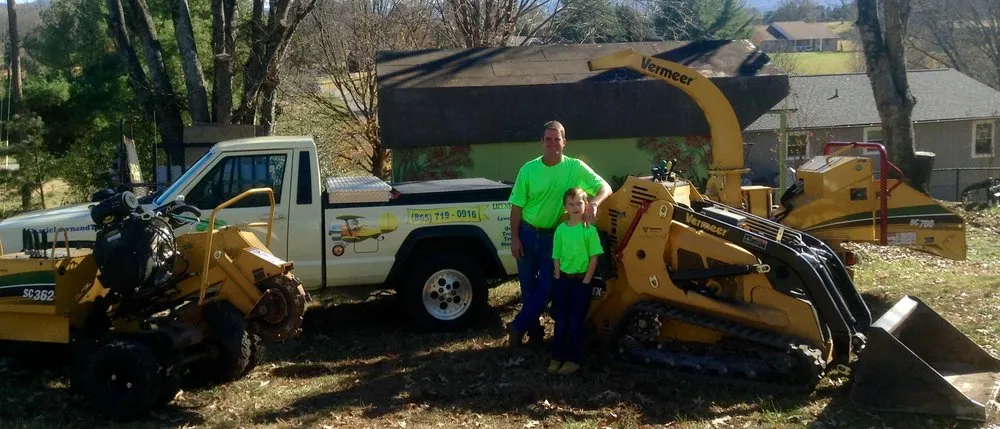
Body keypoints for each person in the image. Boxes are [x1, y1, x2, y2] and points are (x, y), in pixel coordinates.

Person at [507, 120, 611, 348]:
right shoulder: (528, 170)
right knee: (528, 287)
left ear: (565, 142)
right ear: (541, 142)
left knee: (547, 286)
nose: (552, 143)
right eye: (548, 139)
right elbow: (516, 207)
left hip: (551, 237)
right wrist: (514, 237)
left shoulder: (575, 167)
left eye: (557, 139)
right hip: (526, 233)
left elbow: (605, 187)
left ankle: (517, 325)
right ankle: (534, 332)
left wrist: (594, 203)